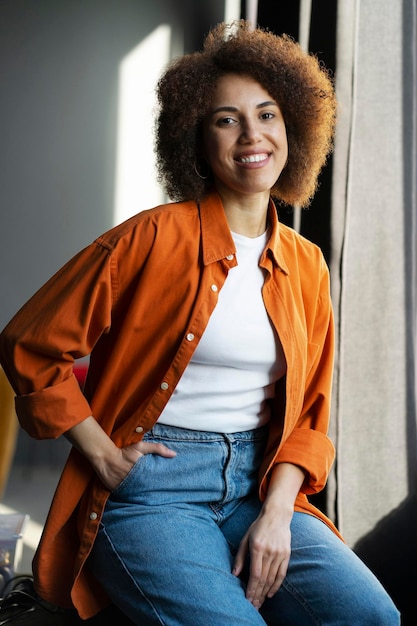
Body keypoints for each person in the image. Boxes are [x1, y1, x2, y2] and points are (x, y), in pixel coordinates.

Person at [0, 20, 400, 626]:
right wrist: (102, 456)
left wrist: (275, 515)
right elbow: (29, 343)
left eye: (267, 115)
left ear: (294, 126)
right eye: (226, 119)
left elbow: (311, 415)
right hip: (152, 491)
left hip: (257, 488)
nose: (251, 135)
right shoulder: (151, 237)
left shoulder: (308, 265)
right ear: (197, 137)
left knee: (371, 616)